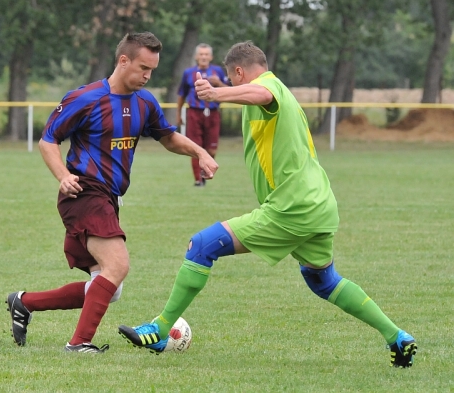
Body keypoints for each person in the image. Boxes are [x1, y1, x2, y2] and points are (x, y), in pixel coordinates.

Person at [118, 41, 417, 368]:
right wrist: (222, 89)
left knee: (202, 246)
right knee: (323, 280)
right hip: (319, 205)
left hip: (293, 208)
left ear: (240, 72)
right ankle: (397, 337)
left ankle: (160, 329)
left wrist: (217, 95)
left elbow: (261, 94)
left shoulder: (269, 87)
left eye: (232, 80)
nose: (232, 86)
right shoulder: (275, 89)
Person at [5, 32, 218, 353]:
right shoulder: (86, 98)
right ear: (123, 60)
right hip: (83, 193)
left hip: (109, 200)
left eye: (153, 70)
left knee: (110, 287)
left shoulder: (145, 102)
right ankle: (78, 344)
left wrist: (200, 152)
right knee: (117, 266)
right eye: (143, 68)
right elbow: (48, 140)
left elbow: (168, 137)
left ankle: (24, 303)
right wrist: (62, 175)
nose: (147, 76)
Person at [176, 43, 229, 186]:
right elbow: (182, 95)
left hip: (212, 113)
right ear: (196, 56)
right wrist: (178, 114)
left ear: (211, 57)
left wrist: (218, 83)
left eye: (206, 54)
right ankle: (198, 179)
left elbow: (229, 90)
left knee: (211, 148)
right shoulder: (188, 73)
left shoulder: (218, 71)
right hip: (194, 112)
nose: (204, 57)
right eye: (201, 54)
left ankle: (207, 173)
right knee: (195, 147)